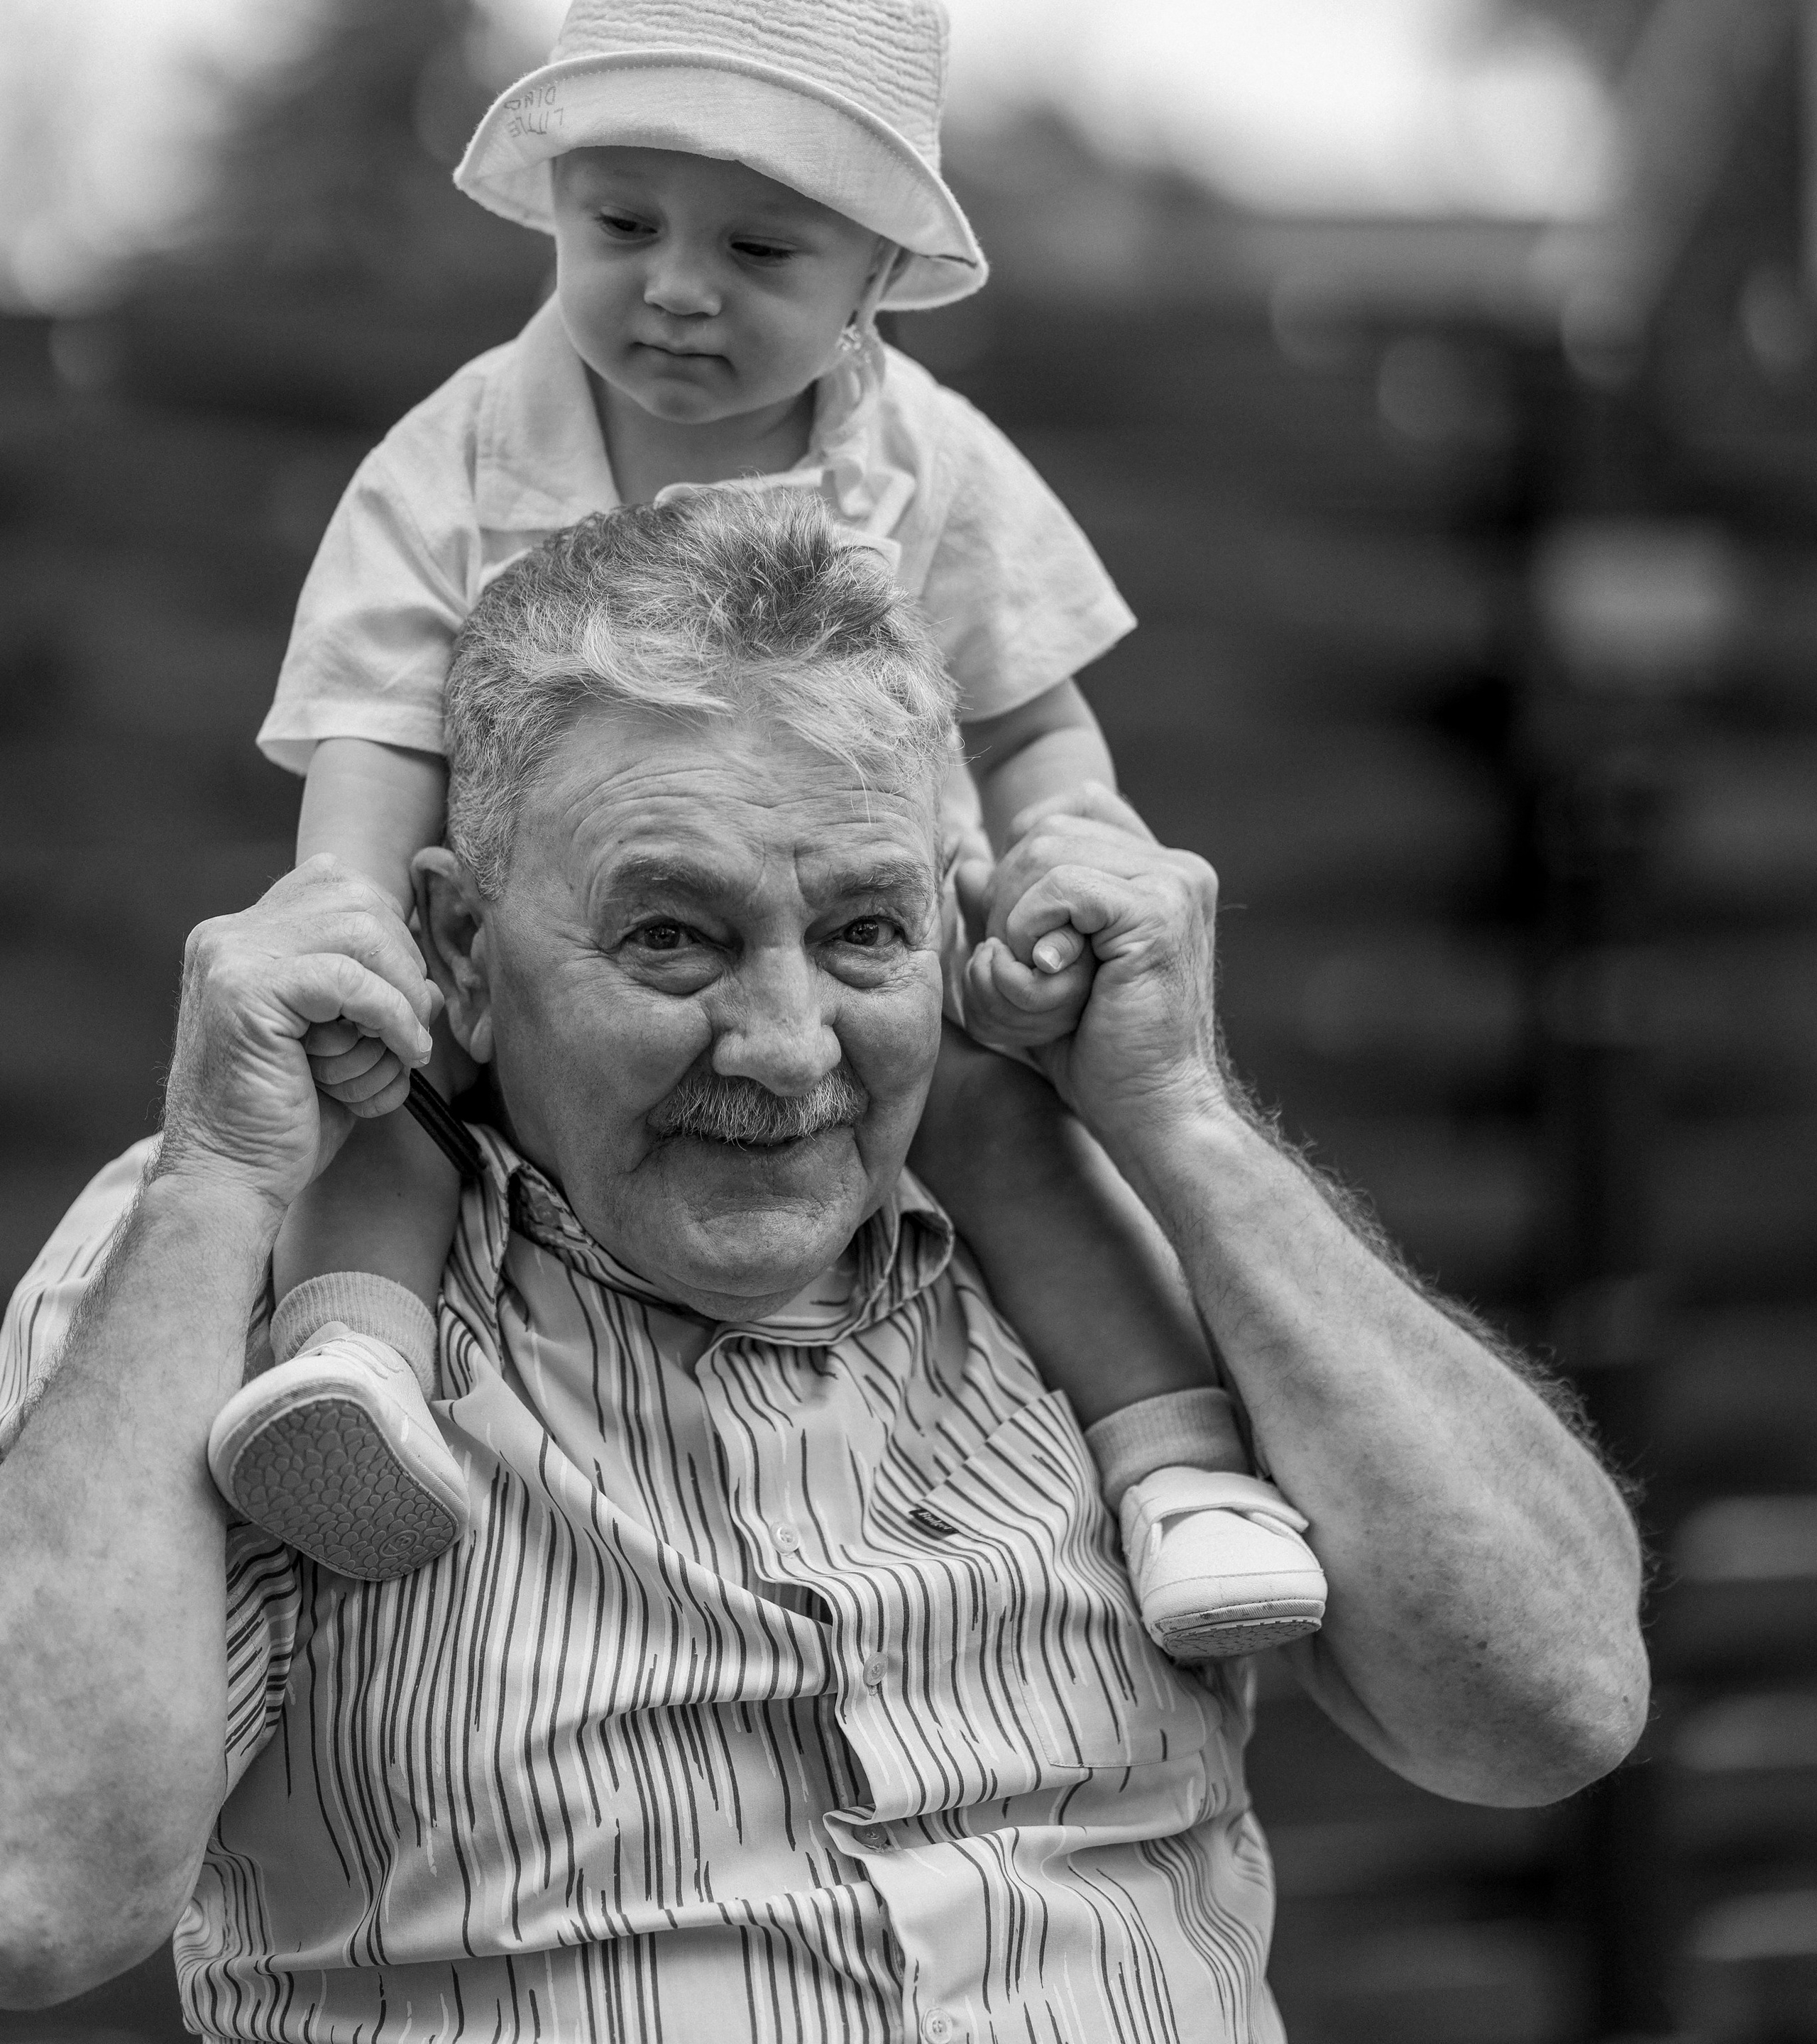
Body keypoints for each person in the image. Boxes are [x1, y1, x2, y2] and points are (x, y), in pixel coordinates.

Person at [0, 494, 1647, 2039]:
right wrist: (220, 1176)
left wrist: (1185, 1121)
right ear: (457, 953)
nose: (788, 1052)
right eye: (670, 937)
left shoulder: (1102, 1241)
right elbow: (37, 1896)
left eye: (865, 933)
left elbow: (1548, 1708)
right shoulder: (227, 1252)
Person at [208, 0, 1325, 1656]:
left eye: (758, 253)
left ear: (878, 276)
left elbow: (1028, 715)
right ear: (553, 206)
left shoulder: (928, 468)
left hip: (863, 964)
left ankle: (1174, 1462)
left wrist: (1070, 847)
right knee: (379, 1087)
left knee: (1020, 1137)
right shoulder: (454, 459)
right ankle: (351, 1362)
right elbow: (376, 718)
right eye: (622, 221)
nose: (672, 288)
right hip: (543, 960)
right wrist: (352, 911)